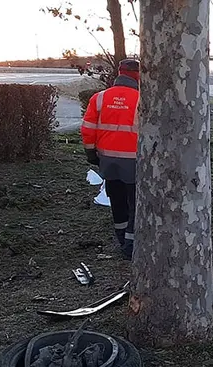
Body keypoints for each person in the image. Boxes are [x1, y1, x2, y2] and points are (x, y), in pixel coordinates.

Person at [81, 58, 140, 260]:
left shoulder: (99, 98)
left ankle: (121, 237)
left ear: (119, 73)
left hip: (107, 159)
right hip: (133, 160)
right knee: (135, 203)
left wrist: (91, 153)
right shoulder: (142, 99)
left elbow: (88, 129)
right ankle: (131, 245)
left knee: (116, 199)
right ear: (137, 76)